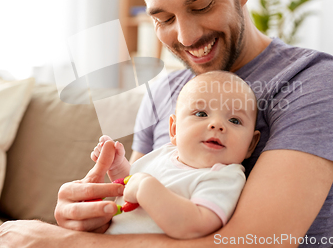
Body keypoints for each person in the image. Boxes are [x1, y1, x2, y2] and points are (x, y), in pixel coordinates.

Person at [0, 0, 333, 247]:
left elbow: (254, 243)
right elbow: (132, 207)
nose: (185, 36)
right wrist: (87, 218)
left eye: (201, 6)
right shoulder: (165, 92)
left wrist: (63, 244)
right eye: (164, 18)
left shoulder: (312, 82)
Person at [91, 71, 260, 238]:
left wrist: (145, 186)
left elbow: (196, 225)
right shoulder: (164, 153)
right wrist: (118, 167)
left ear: (251, 145)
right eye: (201, 114)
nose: (217, 124)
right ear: (173, 129)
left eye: (235, 120)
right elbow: (130, 189)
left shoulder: (225, 177)